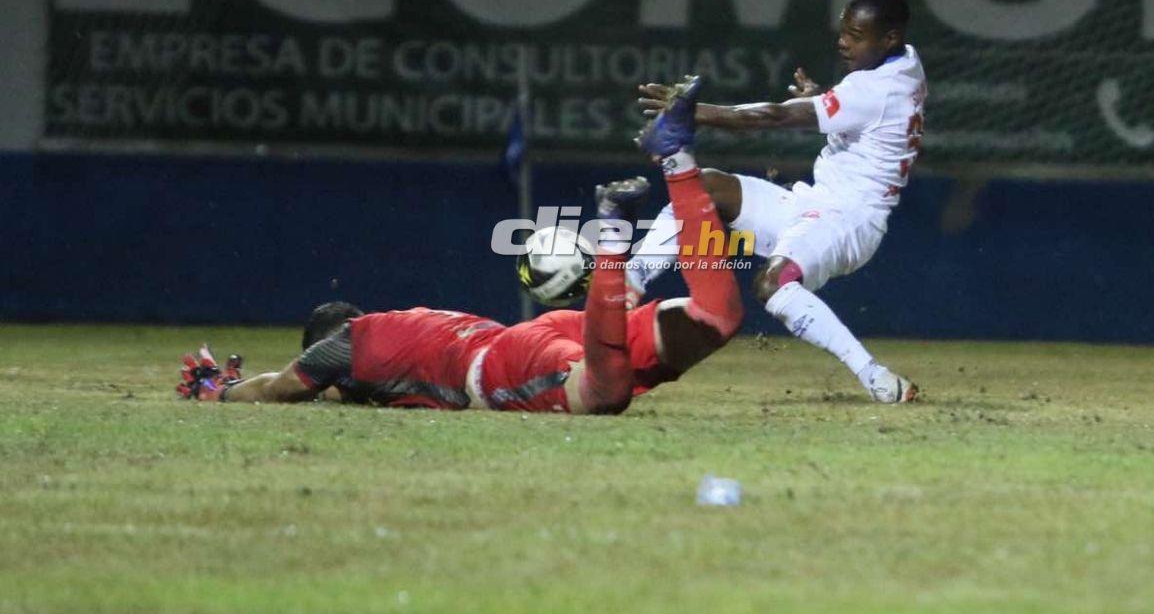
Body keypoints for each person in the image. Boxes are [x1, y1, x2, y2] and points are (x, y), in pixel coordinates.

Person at [176, 77, 743, 415]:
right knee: (713, 318)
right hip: (533, 336)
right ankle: (676, 158)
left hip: (500, 366)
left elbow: (283, 387)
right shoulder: (414, 328)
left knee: (605, 393)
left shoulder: (351, 343)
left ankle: (614, 238)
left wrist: (219, 391)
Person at [630, 0, 924, 403]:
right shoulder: (906, 63)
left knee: (773, 284)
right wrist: (821, 101)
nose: (843, 41)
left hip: (849, 221)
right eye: (843, 30)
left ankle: (875, 377)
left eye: (856, 35)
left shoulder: (878, 88)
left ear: (890, 37)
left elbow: (775, 116)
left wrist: (694, 113)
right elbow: (868, 118)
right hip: (817, 202)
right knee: (705, 187)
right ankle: (630, 284)